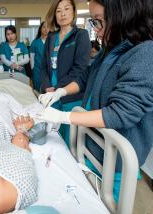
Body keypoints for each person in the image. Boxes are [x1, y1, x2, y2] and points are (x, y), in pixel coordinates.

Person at [38, 0, 153, 202]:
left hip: (114, 162)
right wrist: (61, 92)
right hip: (91, 147)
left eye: (99, 22)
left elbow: (120, 113)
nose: (97, 31)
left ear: (124, 16)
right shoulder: (110, 49)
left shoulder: (145, 54)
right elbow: (85, 77)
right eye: (94, 22)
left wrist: (64, 116)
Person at [40, 0, 91, 145]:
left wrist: (57, 88)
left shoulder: (81, 35)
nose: (63, 13)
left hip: (71, 97)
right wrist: (47, 85)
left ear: (73, 12)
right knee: (54, 139)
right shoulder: (51, 37)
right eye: (58, 10)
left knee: (70, 141)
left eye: (67, 9)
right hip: (51, 96)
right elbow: (44, 65)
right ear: (54, 15)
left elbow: (80, 69)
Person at [30, 21, 49, 91]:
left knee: (48, 88)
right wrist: (33, 68)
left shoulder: (52, 42)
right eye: (44, 27)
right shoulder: (35, 42)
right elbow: (31, 57)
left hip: (49, 70)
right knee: (37, 88)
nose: (46, 29)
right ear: (40, 28)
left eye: (48, 27)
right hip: (37, 70)